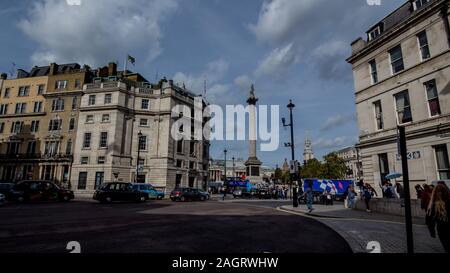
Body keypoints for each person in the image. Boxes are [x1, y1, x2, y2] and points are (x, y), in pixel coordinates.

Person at [426, 184, 450, 252]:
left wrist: (432, 231)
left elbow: (429, 220)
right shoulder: (448, 201)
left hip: (441, 229)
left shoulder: (434, 205)